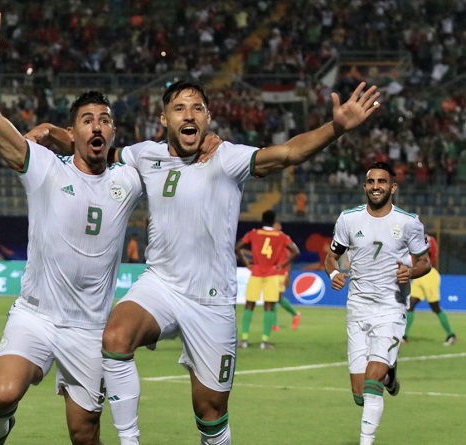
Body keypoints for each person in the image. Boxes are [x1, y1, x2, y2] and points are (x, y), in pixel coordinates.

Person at [29, 78, 379, 444]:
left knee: (210, 414)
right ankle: (130, 440)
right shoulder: (144, 155)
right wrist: (51, 132)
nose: (189, 115)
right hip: (161, 285)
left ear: (208, 118)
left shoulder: (227, 157)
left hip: (211, 303)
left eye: (197, 108)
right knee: (116, 337)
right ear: (164, 119)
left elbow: (289, 153)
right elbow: (93, 148)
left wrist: (336, 127)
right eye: (179, 108)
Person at [0, 13, 144, 445]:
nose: (97, 125)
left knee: (84, 435)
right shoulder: (45, 167)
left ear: (113, 131)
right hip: (37, 316)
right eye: (87, 119)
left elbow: (175, 163)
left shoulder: (129, 178)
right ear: (74, 130)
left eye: (104, 119)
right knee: (2, 394)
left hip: (90, 329)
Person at [324, 161, 431, 445]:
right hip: (357, 308)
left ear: (393, 187)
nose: (376, 187)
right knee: (360, 394)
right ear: (364, 186)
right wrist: (333, 273)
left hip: (391, 308)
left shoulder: (408, 222)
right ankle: (390, 377)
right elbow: (331, 257)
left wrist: (411, 272)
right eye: (371, 182)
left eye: (382, 182)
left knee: (371, 384)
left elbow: (425, 262)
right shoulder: (348, 219)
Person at [235, 210, 298, 349]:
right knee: (269, 307)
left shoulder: (253, 233)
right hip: (272, 274)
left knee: (249, 305)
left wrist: (246, 263)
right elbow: (295, 251)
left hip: (256, 273)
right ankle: (264, 341)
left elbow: (237, 247)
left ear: (262, 220)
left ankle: (244, 340)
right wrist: (282, 265)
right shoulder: (281, 236)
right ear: (273, 221)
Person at [404, 234, 457, 345]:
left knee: (435, 307)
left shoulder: (428, 240)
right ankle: (404, 336)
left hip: (429, 275)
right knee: (410, 305)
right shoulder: (420, 239)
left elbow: (432, 254)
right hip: (419, 274)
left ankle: (451, 335)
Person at [271, 220, 302, 331]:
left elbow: (290, 256)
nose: (274, 229)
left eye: (276, 226)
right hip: (272, 272)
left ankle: (293, 315)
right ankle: (275, 323)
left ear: (280, 227)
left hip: (281, 272)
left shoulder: (284, 239)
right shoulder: (270, 240)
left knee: (275, 297)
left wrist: (288, 273)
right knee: (274, 297)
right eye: (273, 226)